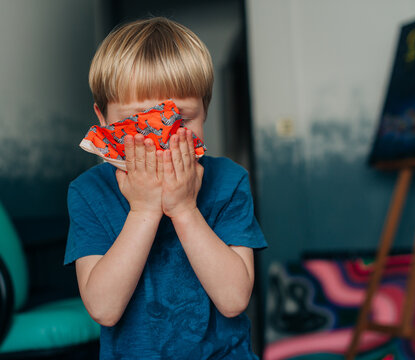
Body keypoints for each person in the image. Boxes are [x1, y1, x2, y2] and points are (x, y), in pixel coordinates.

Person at [64, 17, 267, 360]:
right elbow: (104, 309)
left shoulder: (229, 180)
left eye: (182, 120)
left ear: (205, 112)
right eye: (139, 123)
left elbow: (234, 301)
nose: (162, 138)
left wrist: (184, 208)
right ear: (103, 120)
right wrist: (144, 209)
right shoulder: (88, 192)